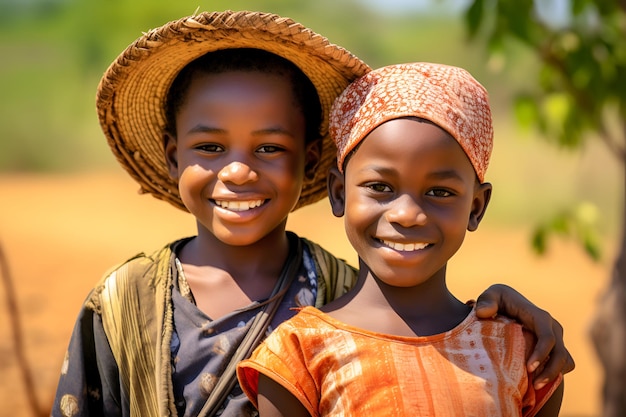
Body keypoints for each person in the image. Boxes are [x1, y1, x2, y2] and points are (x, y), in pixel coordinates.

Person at [52, 11, 572, 417]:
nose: (236, 173)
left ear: (311, 159)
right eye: (210, 147)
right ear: (172, 157)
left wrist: (513, 313)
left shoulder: (338, 291)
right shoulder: (123, 301)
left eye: (269, 148)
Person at [237, 62, 566, 417]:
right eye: (380, 188)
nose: (406, 214)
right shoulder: (298, 357)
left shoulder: (521, 354)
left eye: (439, 191)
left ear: (476, 207)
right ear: (339, 193)